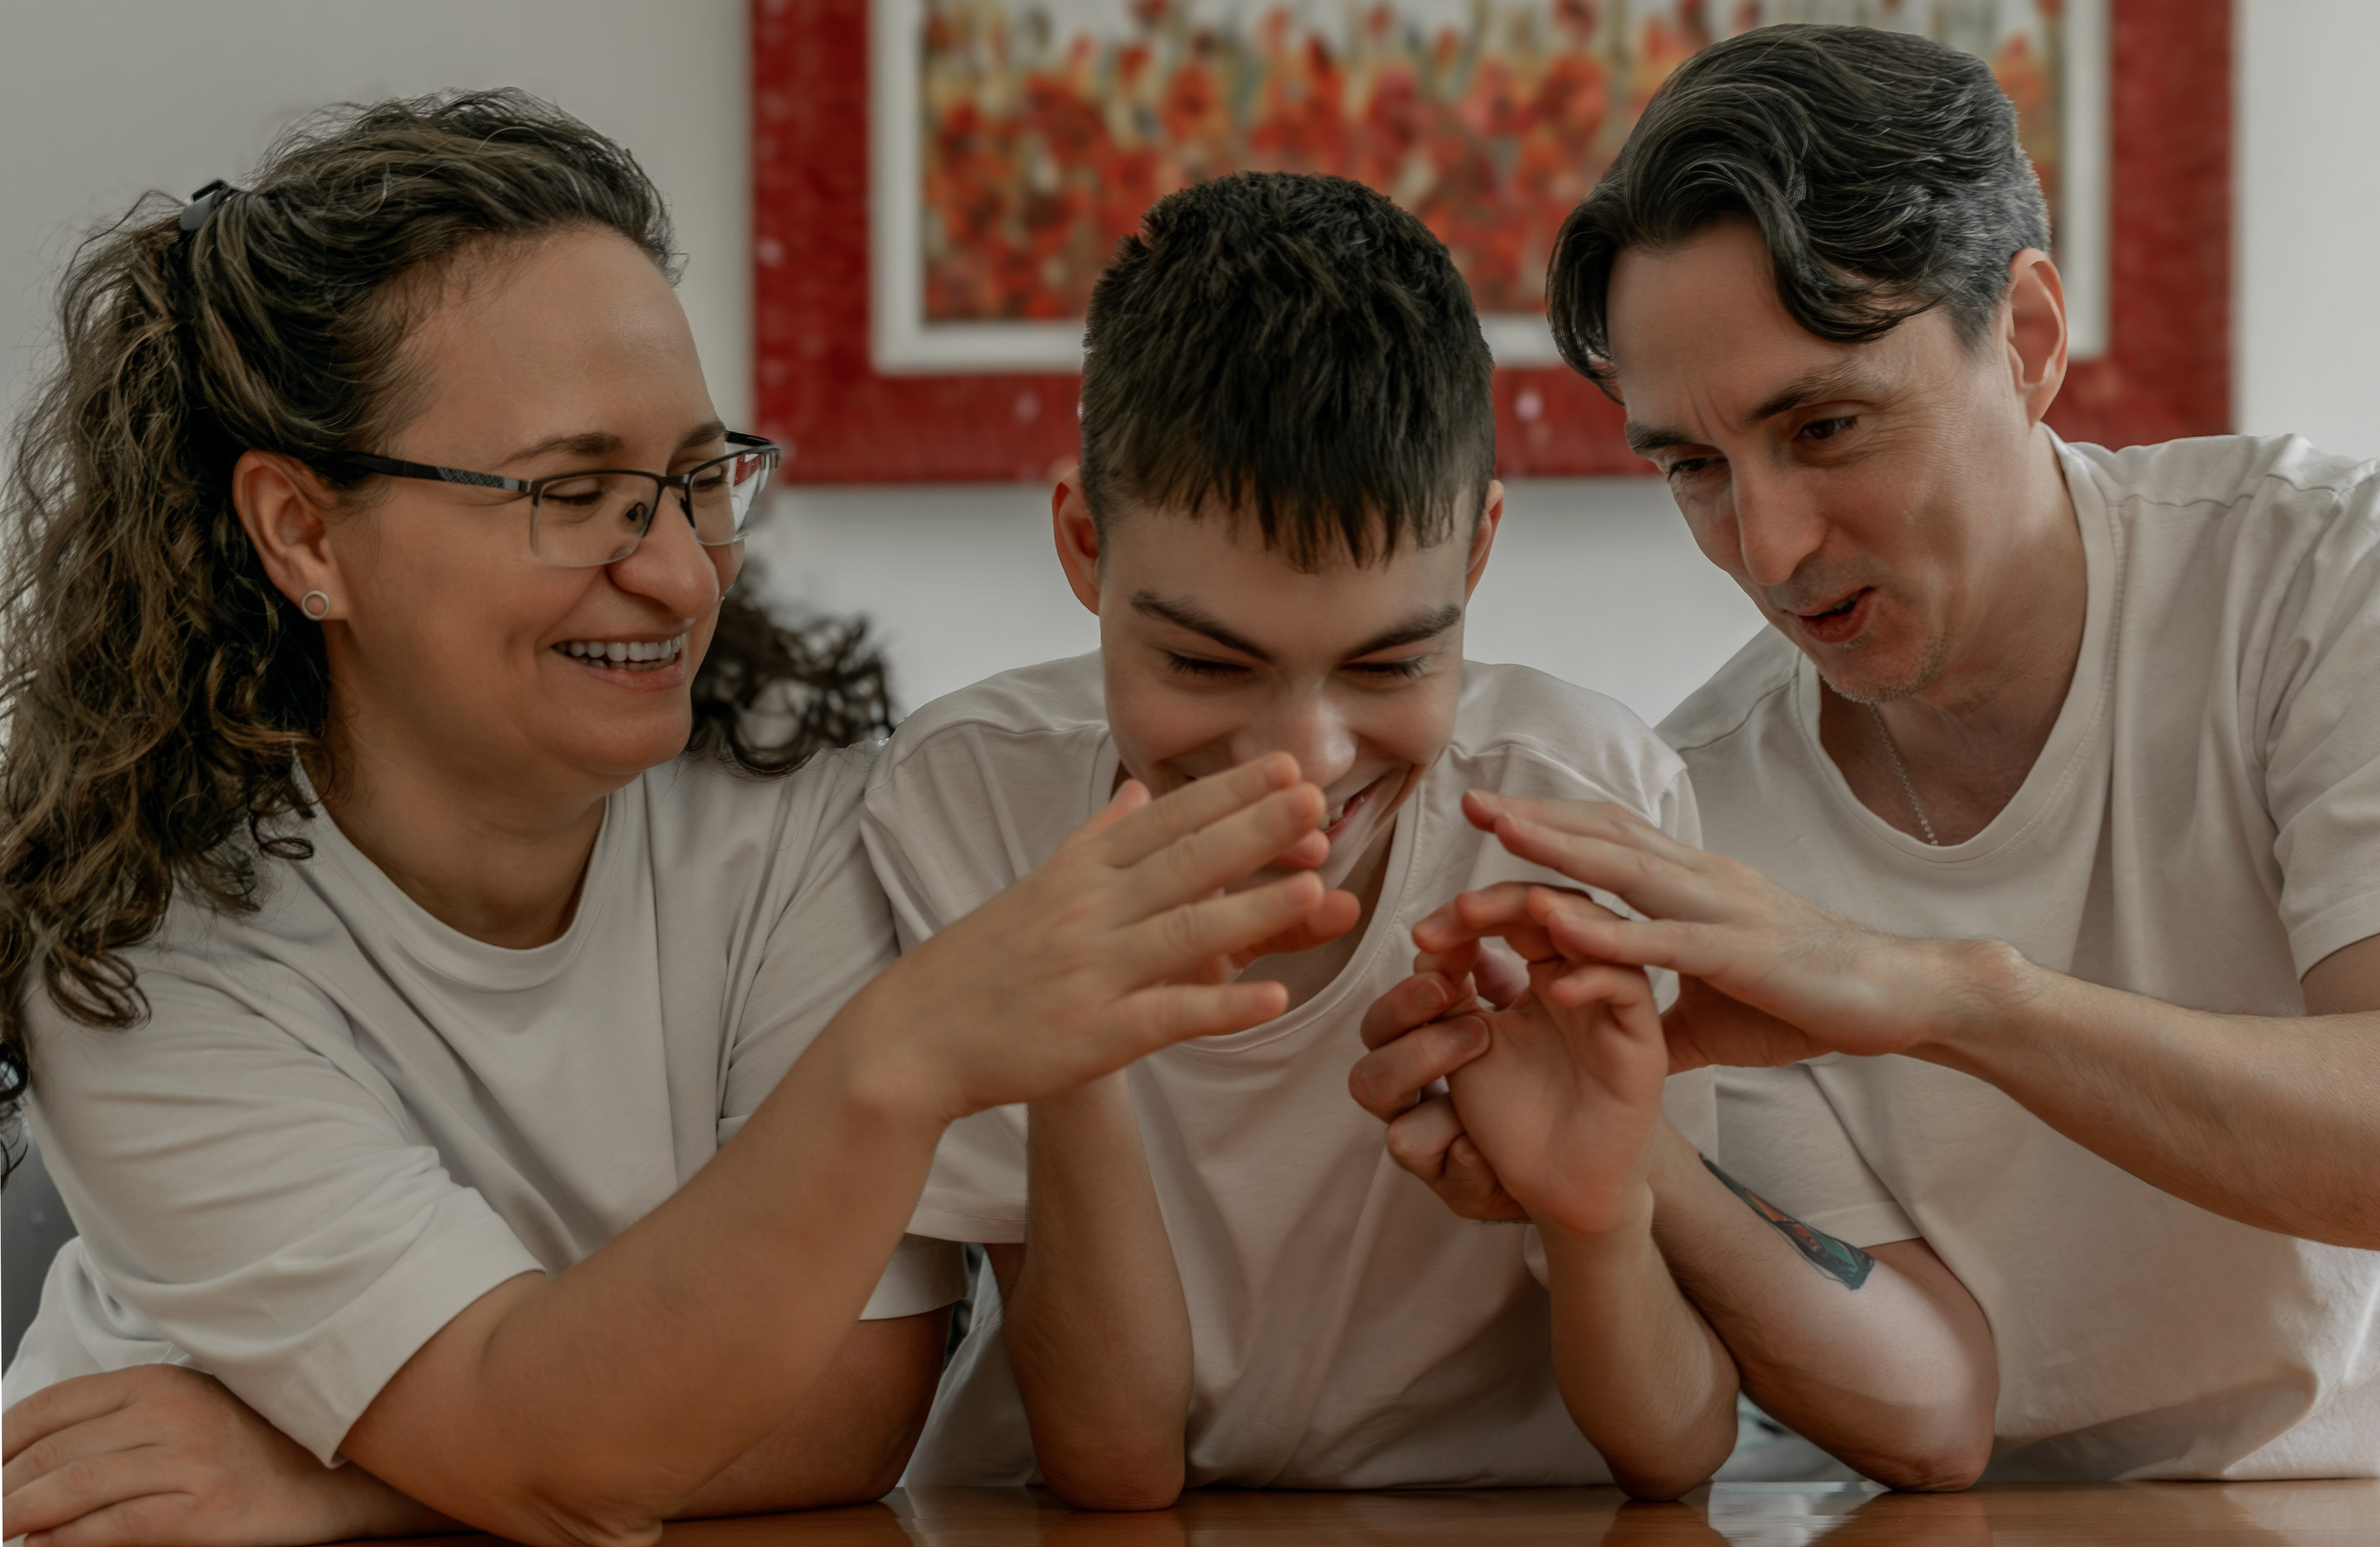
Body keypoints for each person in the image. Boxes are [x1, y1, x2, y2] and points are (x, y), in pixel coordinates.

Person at [0, 93, 1357, 1546]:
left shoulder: (795, 813)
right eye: (577, 494)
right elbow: (540, 1439)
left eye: (701, 482)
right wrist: (901, 1055)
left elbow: (856, 1397)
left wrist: (325, 1481)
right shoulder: (142, 947)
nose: (682, 576)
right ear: (305, 534)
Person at [864, 171, 1996, 1509]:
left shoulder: (1581, 807)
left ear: (1473, 562)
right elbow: (1112, 1470)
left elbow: (1677, 1451)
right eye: (1207, 664)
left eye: (1392, 662)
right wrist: (1075, 1050)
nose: (1304, 760)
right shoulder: (965, 806)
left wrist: (1597, 1211)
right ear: (1083, 544)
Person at [1355, 23, 2380, 1479]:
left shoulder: (2321, 582)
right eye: (1693, 470)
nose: (1767, 551)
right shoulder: (1695, 807)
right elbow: (1932, 1408)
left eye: (1825, 426)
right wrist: (1631, 1166)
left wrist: (1938, 997)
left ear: (2025, 341)